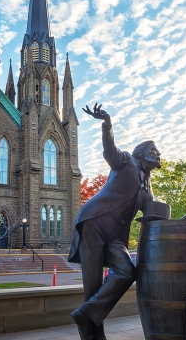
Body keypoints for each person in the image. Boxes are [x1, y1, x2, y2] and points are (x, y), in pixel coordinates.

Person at [68, 103, 166, 340]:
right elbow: (109, 149)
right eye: (154, 150)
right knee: (92, 285)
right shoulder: (125, 161)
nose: (159, 153)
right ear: (141, 153)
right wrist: (107, 124)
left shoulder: (147, 186)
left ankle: (86, 314)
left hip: (114, 235)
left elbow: (154, 213)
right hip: (94, 221)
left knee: (126, 272)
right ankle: (94, 335)